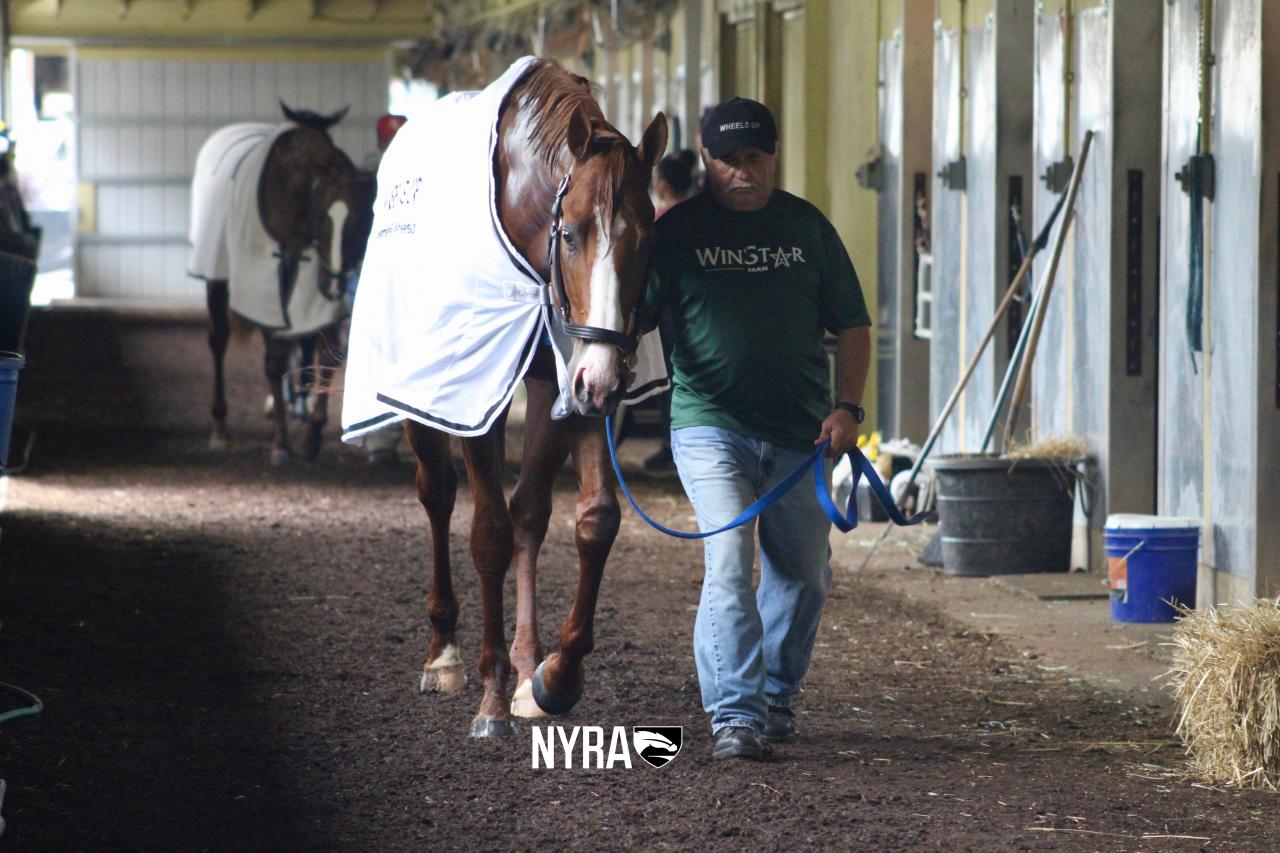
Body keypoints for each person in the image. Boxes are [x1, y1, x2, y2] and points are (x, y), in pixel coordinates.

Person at [641, 97, 872, 760]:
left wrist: (847, 408)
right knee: (728, 555)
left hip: (802, 433)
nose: (742, 172)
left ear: (773, 156)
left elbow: (853, 325)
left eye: (754, 158)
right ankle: (735, 712)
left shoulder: (807, 228)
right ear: (706, 160)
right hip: (709, 425)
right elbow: (632, 306)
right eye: (727, 160)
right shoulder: (676, 231)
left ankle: (774, 693)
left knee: (805, 571)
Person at [642, 149, 699, 477]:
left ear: (662, 184)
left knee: (669, 381)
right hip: (695, 311)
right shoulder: (698, 216)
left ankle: (671, 446)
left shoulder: (659, 220)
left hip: (666, 314)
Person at [358, 113, 408, 465]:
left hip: (397, 269)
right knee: (375, 345)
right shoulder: (367, 175)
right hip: (371, 268)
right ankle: (379, 433)